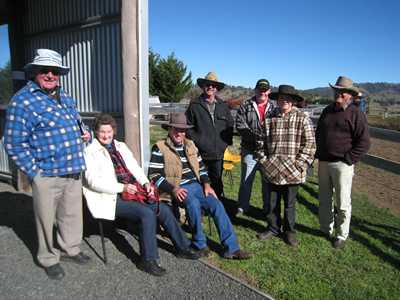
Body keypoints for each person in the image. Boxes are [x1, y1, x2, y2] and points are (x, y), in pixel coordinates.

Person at [4, 49, 91, 280]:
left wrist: (86, 134)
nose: (50, 75)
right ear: (34, 72)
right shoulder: (22, 101)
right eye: (45, 70)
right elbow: (14, 143)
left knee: (71, 214)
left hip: (73, 169)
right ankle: (48, 257)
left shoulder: (67, 97)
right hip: (47, 173)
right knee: (45, 218)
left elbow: (80, 125)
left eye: (55, 71)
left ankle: (70, 248)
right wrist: (35, 173)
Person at [83, 114, 199, 277]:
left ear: (114, 131)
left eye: (109, 131)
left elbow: (135, 168)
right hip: (109, 198)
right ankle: (148, 260)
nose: (106, 135)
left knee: (163, 209)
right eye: (102, 132)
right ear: (96, 131)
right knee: (146, 213)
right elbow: (92, 181)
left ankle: (183, 247)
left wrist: (146, 184)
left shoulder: (120, 146)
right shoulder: (89, 151)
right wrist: (121, 187)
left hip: (132, 192)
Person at [148, 113, 250, 260]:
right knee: (193, 203)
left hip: (197, 186)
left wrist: (207, 185)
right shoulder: (160, 147)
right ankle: (199, 244)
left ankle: (231, 248)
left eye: (182, 130)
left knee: (216, 204)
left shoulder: (191, 145)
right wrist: (173, 189)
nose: (179, 133)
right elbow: (154, 176)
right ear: (169, 129)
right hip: (176, 188)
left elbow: (201, 169)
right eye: (176, 129)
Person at [257, 85, 316, 246]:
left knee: (289, 205)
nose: (284, 101)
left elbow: (310, 144)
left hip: (293, 171)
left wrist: (299, 164)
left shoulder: (302, 118)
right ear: (277, 100)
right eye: (282, 98)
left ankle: (289, 231)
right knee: (272, 202)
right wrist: (264, 161)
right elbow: (260, 142)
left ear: (293, 101)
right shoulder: (269, 118)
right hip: (273, 170)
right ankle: (273, 228)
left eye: (288, 98)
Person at [316, 76, 370, 249]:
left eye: (343, 91)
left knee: (342, 201)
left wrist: (348, 159)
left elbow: (364, 142)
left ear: (350, 95)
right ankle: (325, 228)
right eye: (337, 90)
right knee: (324, 199)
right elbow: (318, 134)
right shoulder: (327, 111)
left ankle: (341, 234)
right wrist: (318, 154)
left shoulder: (357, 114)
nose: (338, 94)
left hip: (342, 164)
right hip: (324, 162)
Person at [185, 72, 234, 199]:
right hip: (200, 152)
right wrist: (198, 141)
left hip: (218, 153)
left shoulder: (223, 106)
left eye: (213, 85)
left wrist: (225, 144)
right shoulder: (194, 105)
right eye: (208, 84)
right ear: (203, 86)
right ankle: (201, 204)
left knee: (217, 179)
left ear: (217, 88)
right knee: (199, 178)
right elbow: (188, 127)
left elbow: (229, 125)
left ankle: (217, 204)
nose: (210, 87)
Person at [235, 79, 275, 216]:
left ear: (269, 91)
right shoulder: (246, 105)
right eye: (260, 89)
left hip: (268, 153)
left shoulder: (275, 108)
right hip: (249, 150)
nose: (262, 92)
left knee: (267, 183)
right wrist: (257, 139)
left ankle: (267, 209)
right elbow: (240, 125)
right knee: (246, 180)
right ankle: (242, 206)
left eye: (265, 90)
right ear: (255, 90)